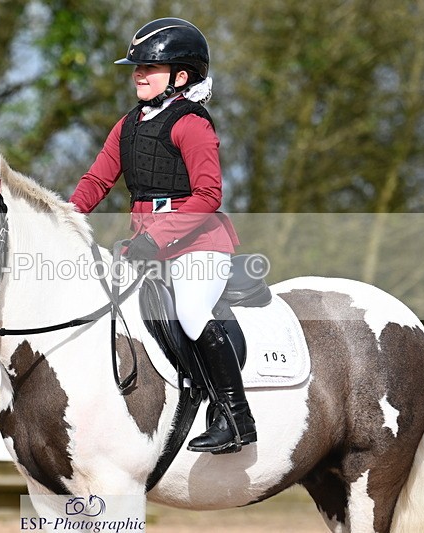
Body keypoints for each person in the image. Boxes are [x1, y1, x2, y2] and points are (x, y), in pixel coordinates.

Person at [69, 18, 256, 454]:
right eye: (136, 67)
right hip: (145, 245)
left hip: (199, 244)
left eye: (148, 68)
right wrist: (62, 218)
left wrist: (157, 238)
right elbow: (97, 181)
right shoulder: (128, 125)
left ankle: (235, 416)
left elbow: (208, 195)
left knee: (191, 310)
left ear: (181, 76)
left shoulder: (192, 125)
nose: (137, 73)